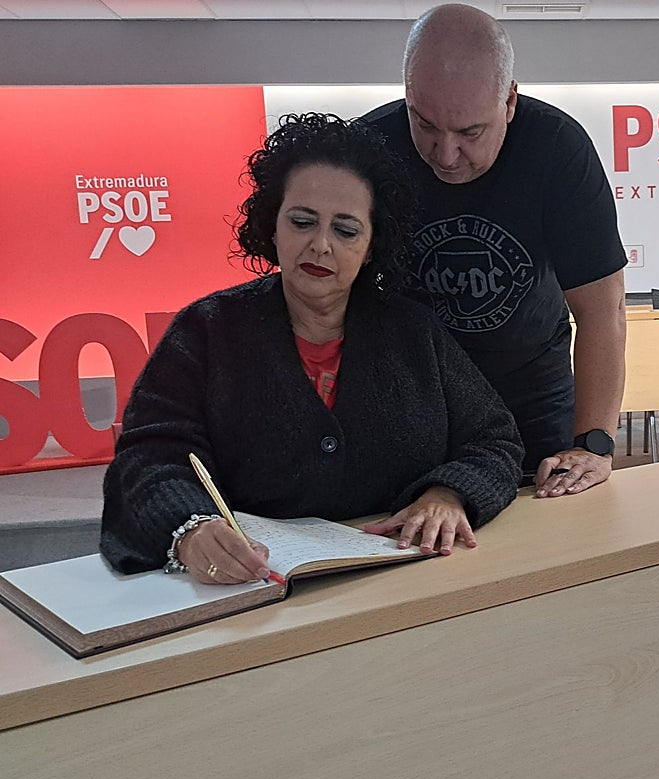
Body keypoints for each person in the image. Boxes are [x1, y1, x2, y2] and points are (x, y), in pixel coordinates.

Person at [101, 113, 523, 583]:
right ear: (272, 225)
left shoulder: (413, 332)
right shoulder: (206, 330)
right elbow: (149, 458)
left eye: (346, 231)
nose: (321, 245)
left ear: (370, 246)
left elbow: (494, 438)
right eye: (302, 221)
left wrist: (449, 493)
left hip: (406, 585)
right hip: (252, 592)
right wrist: (191, 529)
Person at [363, 3, 628, 498]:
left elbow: (602, 311)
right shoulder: (369, 148)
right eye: (424, 124)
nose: (445, 155)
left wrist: (594, 444)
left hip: (531, 393)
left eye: (470, 132)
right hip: (413, 397)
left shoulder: (557, 149)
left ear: (508, 102)